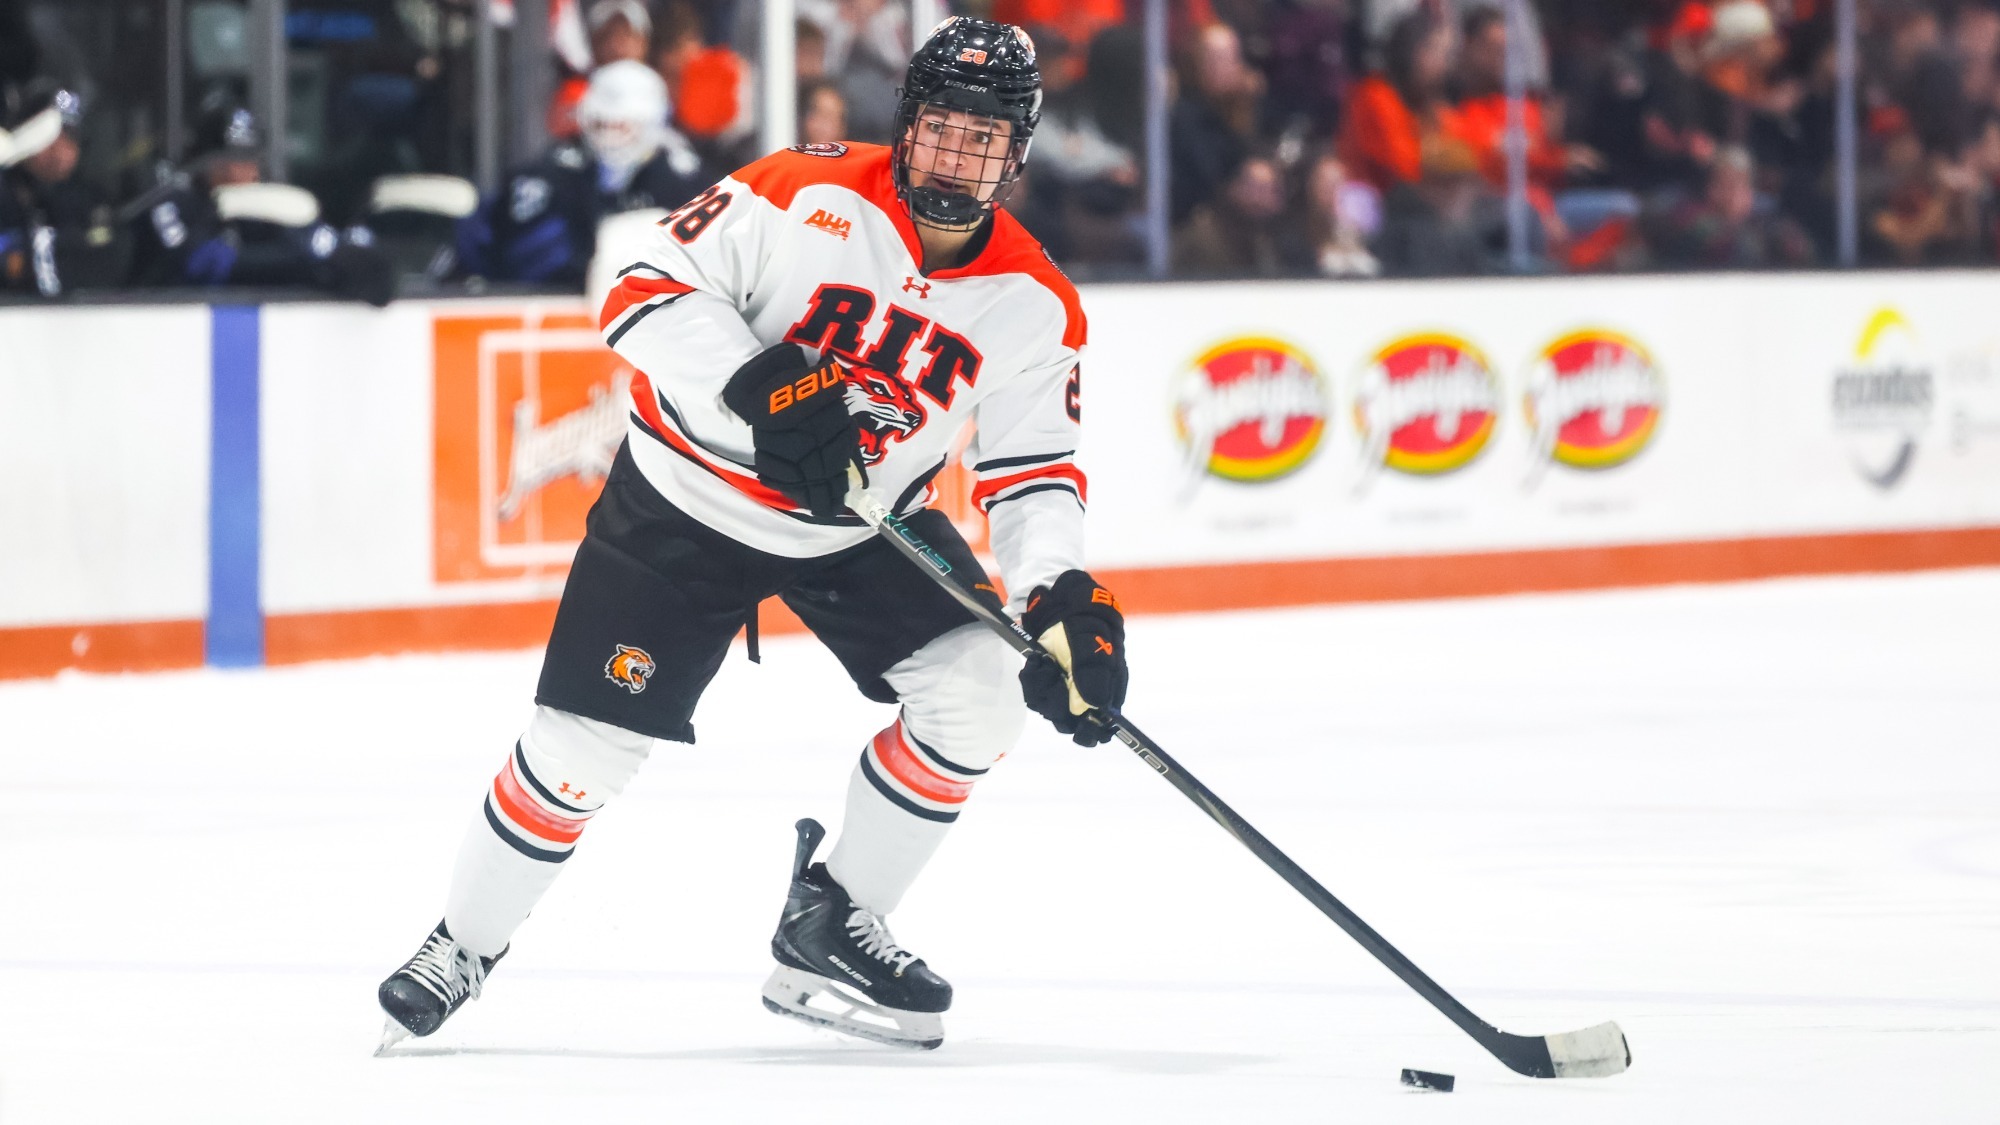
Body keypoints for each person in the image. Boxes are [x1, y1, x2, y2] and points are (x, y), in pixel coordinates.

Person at [377, 16, 1125, 1054]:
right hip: (686, 498)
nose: (957, 156)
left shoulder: (1034, 303)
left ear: (1017, 153)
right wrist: (755, 379)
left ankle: (830, 918)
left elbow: (1030, 471)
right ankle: (462, 943)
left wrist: (1060, 599)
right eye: (941, 130)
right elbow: (636, 292)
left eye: (983, 139)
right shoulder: (797, 190)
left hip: (864, 526)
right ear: (906, 126)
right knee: (582, 752)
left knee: (982, 689)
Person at [459, 60, 707, 285]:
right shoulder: (547, 180)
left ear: (653, 126)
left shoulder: (689, 189)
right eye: (601, 124)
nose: (610, 136)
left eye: (623, 127)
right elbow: (487, 253)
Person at [124, 100, 394, 305]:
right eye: (227, 159)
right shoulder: (173, 204)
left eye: (247, 159)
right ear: (202, 161)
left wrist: (330, 261)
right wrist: (303, 263)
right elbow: (201, 264)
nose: (238, 171)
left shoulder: (268, 206)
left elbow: (364, 269)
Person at [0, 82, 129, 297]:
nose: (67, 150)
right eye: (60, 136)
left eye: (73, 138)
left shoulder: (83, 199)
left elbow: (107, 260)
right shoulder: (5, 190)